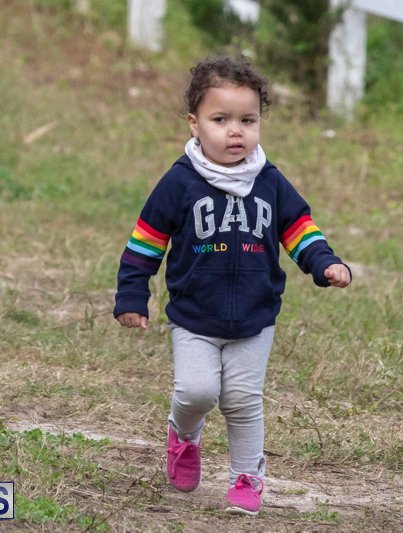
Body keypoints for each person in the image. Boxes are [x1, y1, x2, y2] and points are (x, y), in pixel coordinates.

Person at [114, 56, 351, 516]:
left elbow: (299, 229)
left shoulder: (270, 181)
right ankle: (184, 436)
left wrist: (325, 263)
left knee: (242, 401)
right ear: (194, 124)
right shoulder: (179, 182)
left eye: (248, 120)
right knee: (197, 393)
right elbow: (145, 243)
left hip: (254, 317)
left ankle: (246, 477)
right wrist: (131, 296)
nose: (235, 132)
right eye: (220, 120)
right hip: (194, 316)